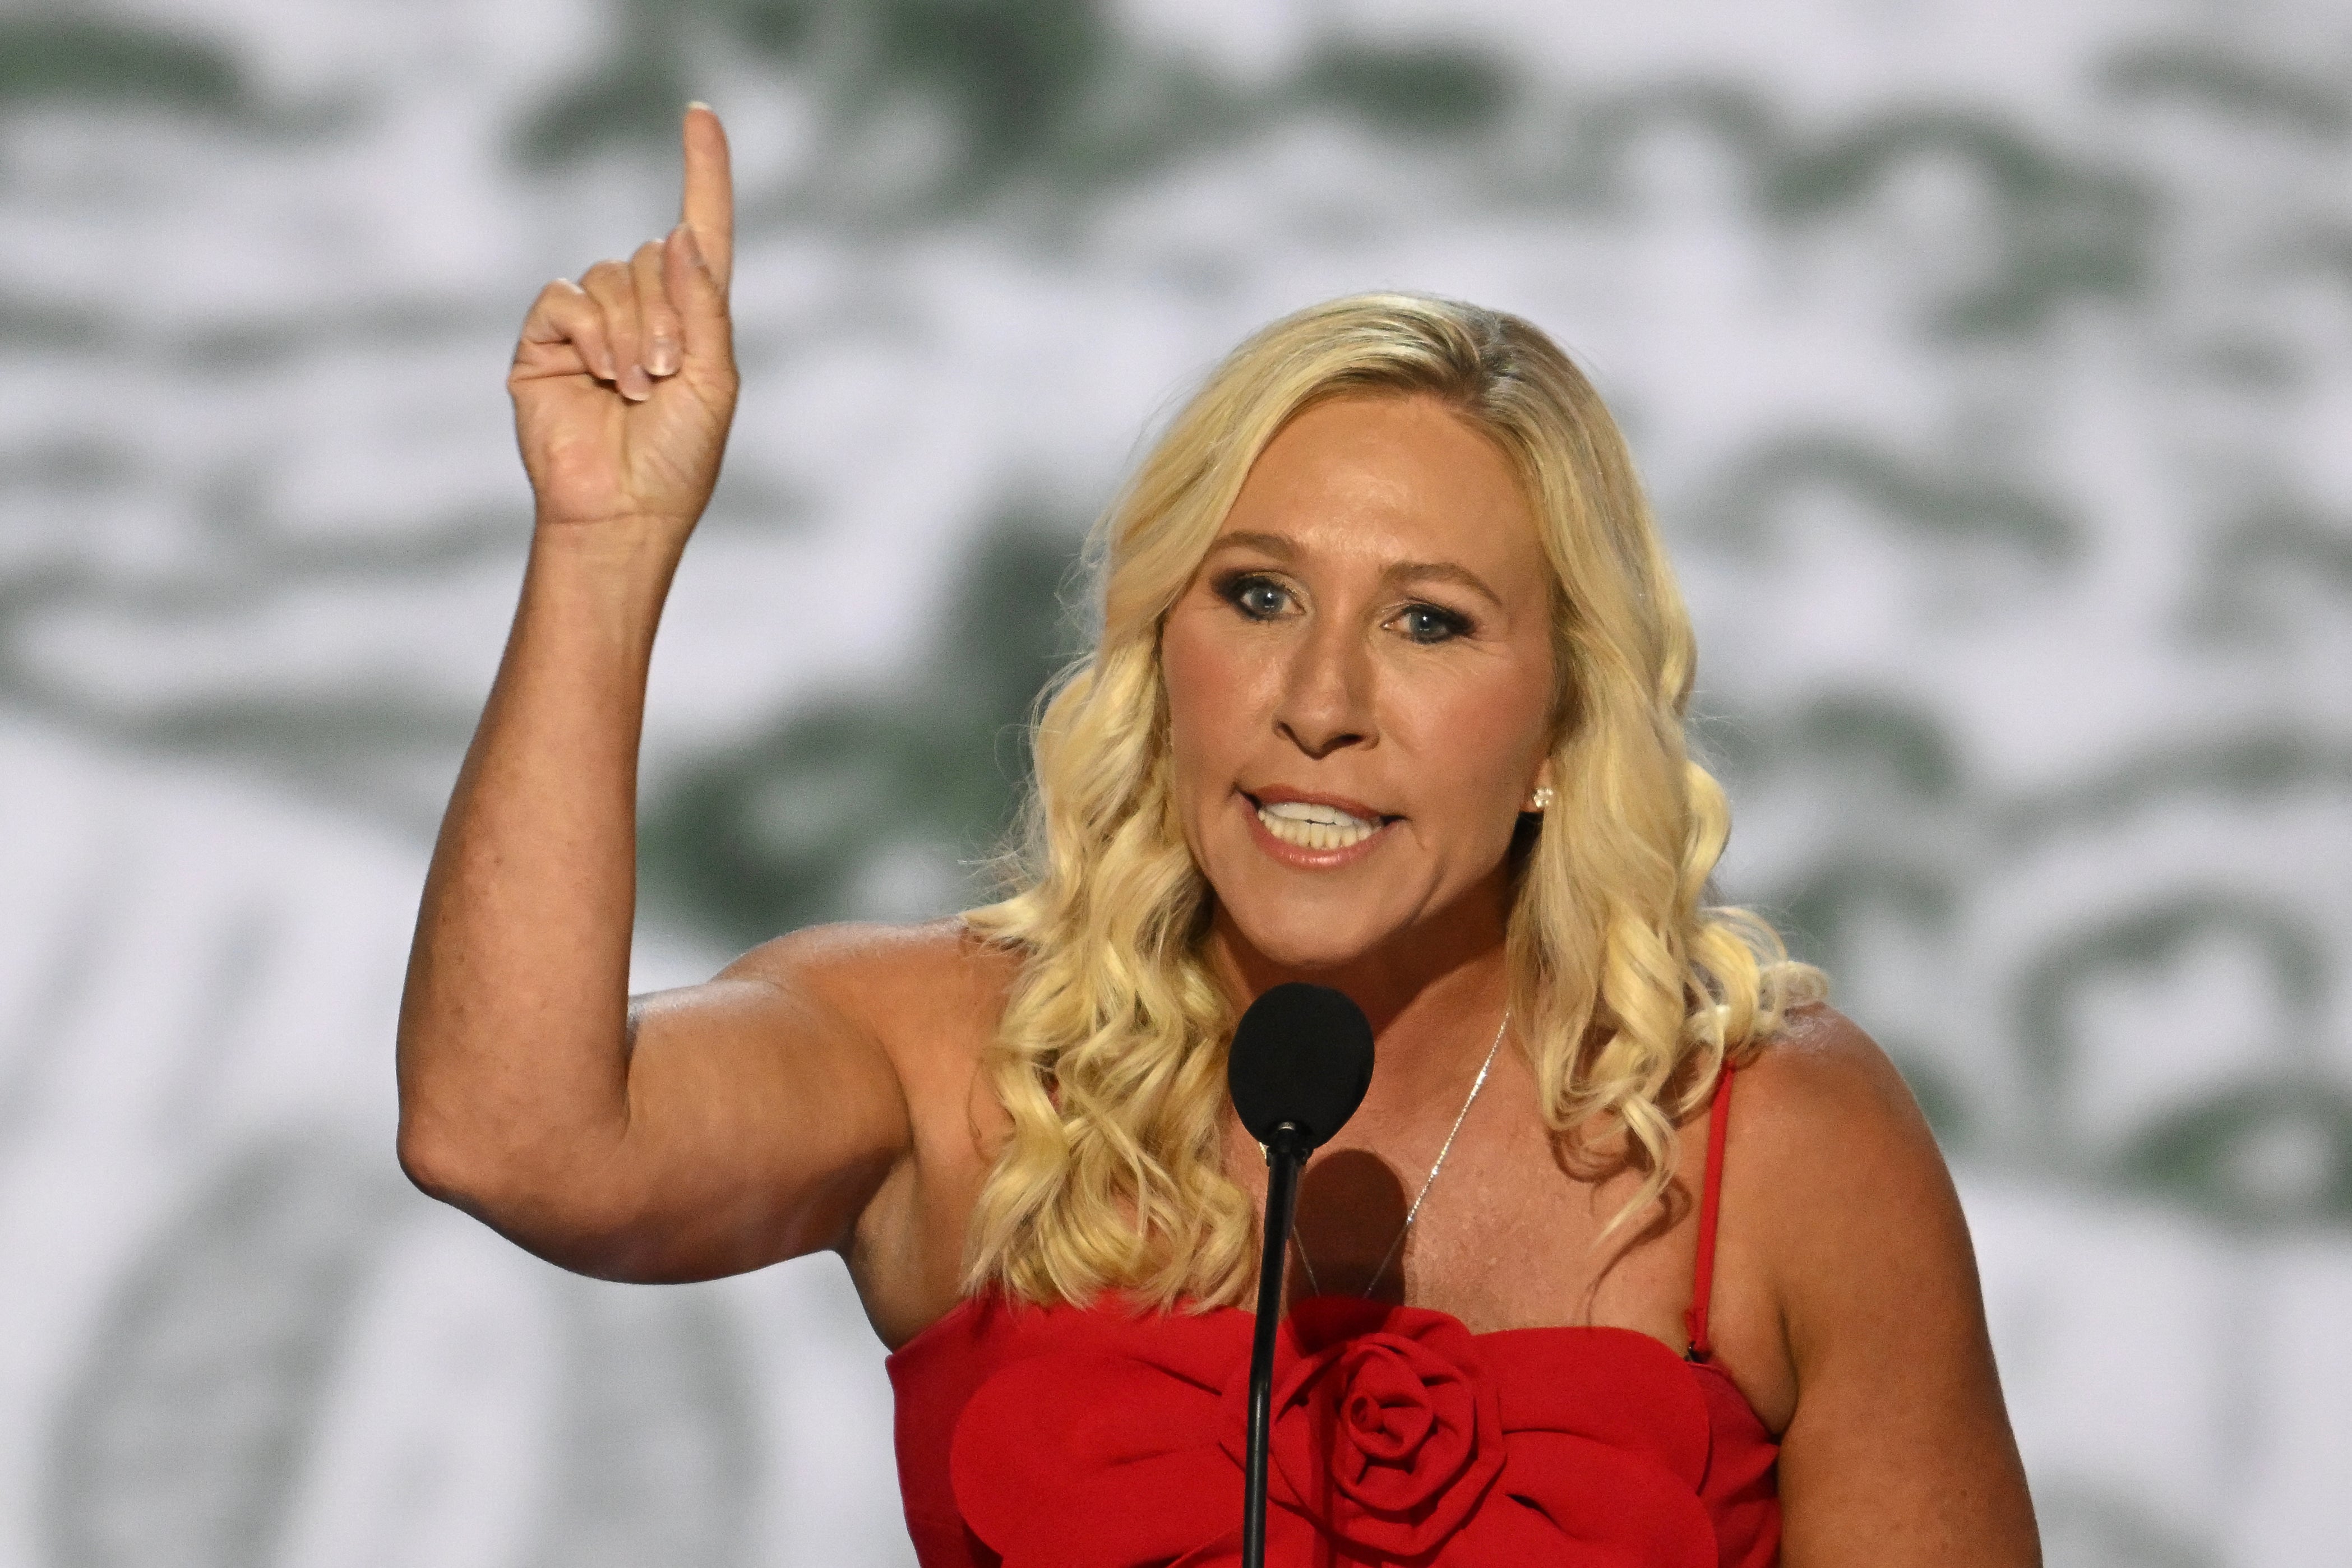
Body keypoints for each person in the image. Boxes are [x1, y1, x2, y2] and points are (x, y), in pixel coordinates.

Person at [397, 105, 2040, 1567]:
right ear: (1162, 647)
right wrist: (603, 551)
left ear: (1556, 729)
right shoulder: (954, 1062)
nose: (1316, 700)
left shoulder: (1776, 1143)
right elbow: (513, 1137)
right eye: (1257, 596)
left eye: (1431, 623)